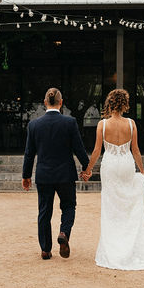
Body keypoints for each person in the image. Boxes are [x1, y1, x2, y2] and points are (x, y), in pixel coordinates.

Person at [81, 89, 144, 270]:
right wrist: (142, 171)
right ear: (125, 104)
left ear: (109, 104)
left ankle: (113, 248)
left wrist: (88, 170)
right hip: (126, 164)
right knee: (128, 205)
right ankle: (129, 244)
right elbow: (136, 151)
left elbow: (96, 151)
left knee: (110, 206)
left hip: (109, 166)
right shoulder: (131, 124)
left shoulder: (102, 125)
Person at [21, 87, 91, 260]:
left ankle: (45, 249)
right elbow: (79, 149)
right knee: (68, 206)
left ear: (45, 103)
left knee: (44, 211)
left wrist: (26, 175)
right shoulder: (70, 123)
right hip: (65, 174)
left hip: (44, 175)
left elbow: (29, 153)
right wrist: (86, 168)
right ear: (61, 103)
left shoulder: (34, 125)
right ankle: (64, 233)